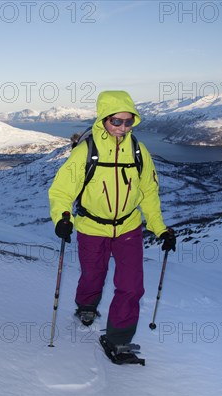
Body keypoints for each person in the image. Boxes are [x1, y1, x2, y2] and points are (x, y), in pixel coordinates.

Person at [48, 90, 176, 365]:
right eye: (116, 122)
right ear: (104, 118)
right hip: (92, 226)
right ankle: (86, 306)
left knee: (131, 286)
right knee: (93, 275)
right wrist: (62, 217)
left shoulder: (138, 151)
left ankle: (118, 340)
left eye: (128, 122)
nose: (122, 128)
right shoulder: (87, 151)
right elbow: (61, 191)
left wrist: (160, 228)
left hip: (128, 227)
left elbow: (149, 193)